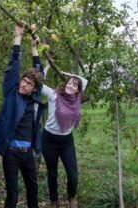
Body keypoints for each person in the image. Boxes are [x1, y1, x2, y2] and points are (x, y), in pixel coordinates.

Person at [0, 23, 44, 208]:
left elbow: (39, 72)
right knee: (13, 195)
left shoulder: (34, 99)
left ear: (34, 89)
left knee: (33, 191)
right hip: (11, 153)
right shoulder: (11, 92)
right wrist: (18, 38)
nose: (23, 85)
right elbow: (13, 66)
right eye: (24, 80)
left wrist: (34, 49)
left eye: (28, 84)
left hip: (28, 154)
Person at [41, 63, 88, 208]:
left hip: (66, 140)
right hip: (49, 139)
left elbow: (84, 81)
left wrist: (68, 74)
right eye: (69, 83)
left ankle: (71, 196)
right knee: (52, 172)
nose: (71, 86)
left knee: (73, 174)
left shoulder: (77, 98)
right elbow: (39, 82)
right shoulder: (54, 95)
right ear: (65, 84)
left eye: (75, 85)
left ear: (78, 90)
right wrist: (48, 66)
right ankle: (54, 201)